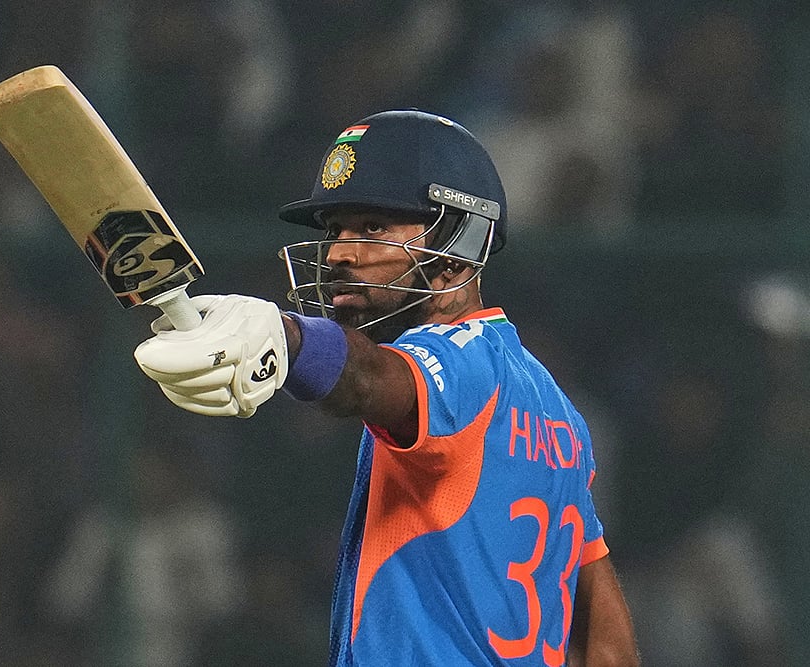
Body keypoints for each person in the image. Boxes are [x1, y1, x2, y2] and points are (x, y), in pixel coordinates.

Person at [134, 109, 639, 666]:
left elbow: (369, 379)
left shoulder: (461, 364)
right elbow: (608, 645)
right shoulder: (560, 413)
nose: (338, 253)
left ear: (460, 242)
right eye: (335, 230)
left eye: (373, 228)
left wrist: (288, 338)